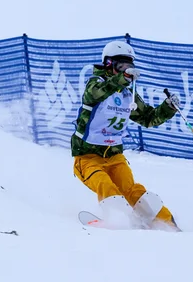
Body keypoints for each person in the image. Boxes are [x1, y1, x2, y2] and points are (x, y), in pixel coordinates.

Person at [71, 40, 181, 231]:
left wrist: (168, 108)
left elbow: (148, 118)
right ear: (108, 64)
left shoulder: (128, 95)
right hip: (88, 157)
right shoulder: (96, 83)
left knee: (134, 191)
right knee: (106, 186)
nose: (126, 71)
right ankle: (121, 222)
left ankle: (167, 224)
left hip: (115, 156)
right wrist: (121, 79)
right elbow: (95, 95)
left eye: (129, 66)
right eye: (121, 66)